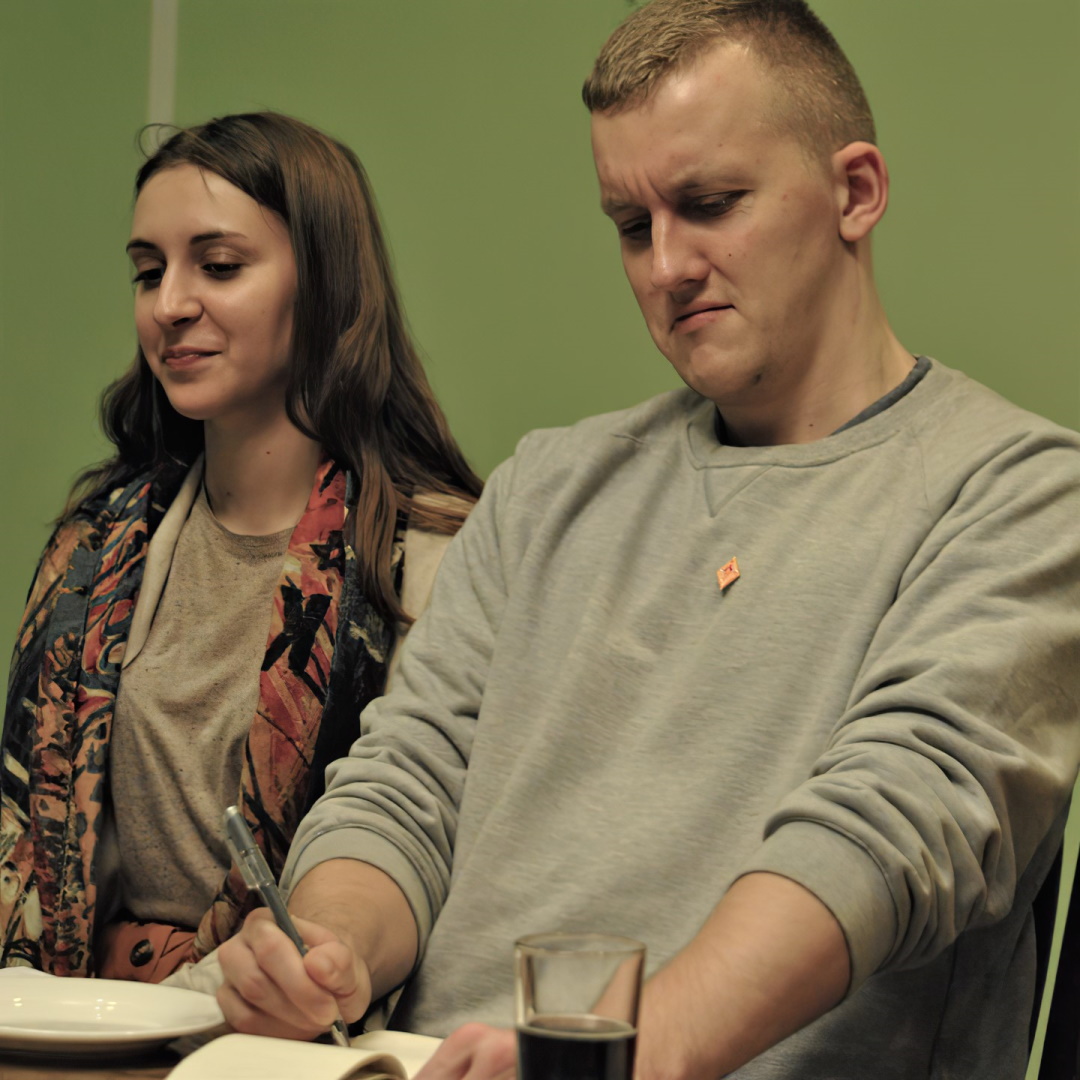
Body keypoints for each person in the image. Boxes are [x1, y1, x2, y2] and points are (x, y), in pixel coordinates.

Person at [215, 3, 1080, 1077]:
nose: (666, 265)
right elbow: (408, 781)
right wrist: (330, 947)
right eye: (632, 225)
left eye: (709, 206)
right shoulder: (546, 487)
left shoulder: (1021, 492)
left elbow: (892, 828)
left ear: (855, 193)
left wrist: (604, 1058)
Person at [0, 111, 481, 983]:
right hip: (79, 1021)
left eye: (218, 266)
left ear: (323, 285)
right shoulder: (94, 549)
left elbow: (434, 849)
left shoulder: (428, 559)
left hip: (294, 1021)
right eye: (150, 272)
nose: (170, 305)